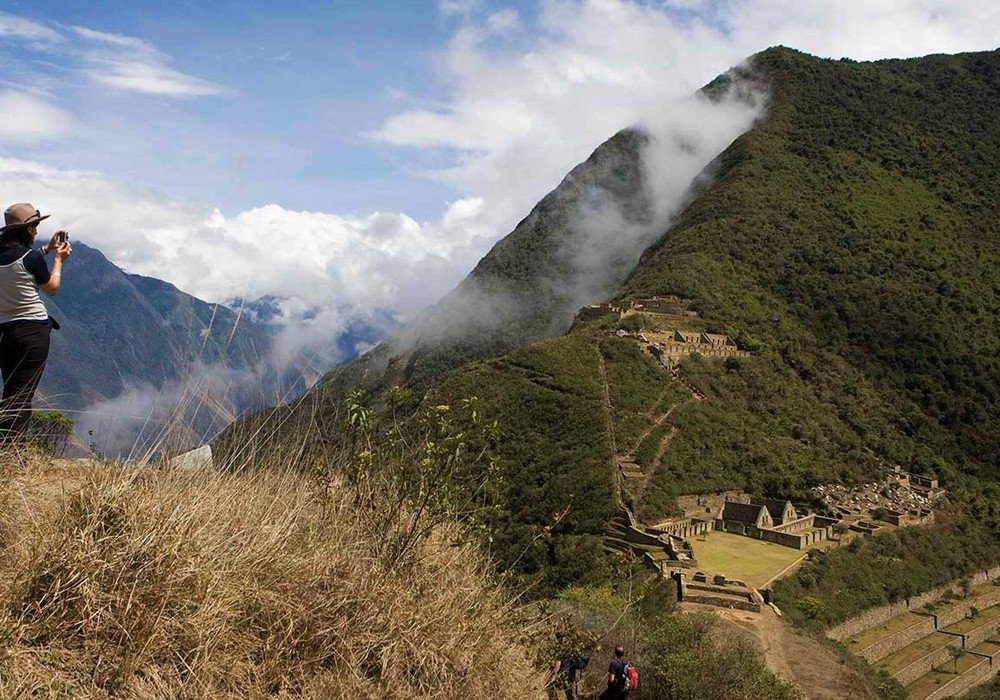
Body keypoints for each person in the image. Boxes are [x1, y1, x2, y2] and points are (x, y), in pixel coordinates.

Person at [0, 203, 71, 442]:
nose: (37, 231)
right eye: (35, 226)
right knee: (22, 396)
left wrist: (46, 250)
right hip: (33, 333)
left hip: (6, 333)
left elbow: (18, 264)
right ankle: (11, 452)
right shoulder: (30, 259)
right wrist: (58, 259)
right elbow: (51, 287)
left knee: (11, 392)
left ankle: (6, 447)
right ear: (28, 229)